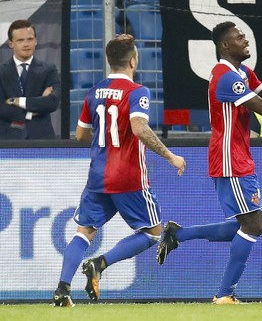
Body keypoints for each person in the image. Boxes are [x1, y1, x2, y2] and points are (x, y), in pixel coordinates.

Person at [156, 21, 262, 304]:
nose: (246, 41)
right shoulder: (225, 77)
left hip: (237, 156)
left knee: (246, 223)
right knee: (253, 226)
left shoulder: (242, 73)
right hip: (229, 158)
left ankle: (178, 234)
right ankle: (224, 294)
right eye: (240, 38)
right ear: (226, 46)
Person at [52, 34, 186, 307]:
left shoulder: (94, 92)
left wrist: (106, 142)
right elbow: (139, 128)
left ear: (109, 61)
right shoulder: (138, 92)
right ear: (133, 61)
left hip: (98, 176)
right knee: (153, 233)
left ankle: (62, 290)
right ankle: (100, 264)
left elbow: (80, 135)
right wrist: (170, 156)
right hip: (129, 177)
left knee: (83, 233)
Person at [0, 19, 61, 139]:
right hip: (8, 141)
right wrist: (35, 108)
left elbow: (52, 102)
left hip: (42, 138)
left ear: (36, 41)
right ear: (11, 43)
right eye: (20, 40)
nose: (26, 44)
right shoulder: (1, 72)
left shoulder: (49, 70)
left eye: (30, 39)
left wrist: (17, 101)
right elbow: (1, 108)